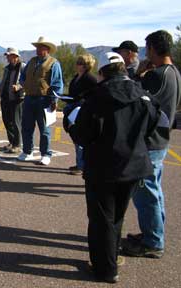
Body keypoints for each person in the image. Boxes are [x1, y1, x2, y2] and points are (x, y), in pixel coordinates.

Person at [69, 52, 159, 283]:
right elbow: (155, 124)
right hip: (134, 166)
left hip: (103, 167)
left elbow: (83, 134)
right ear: (122, 69)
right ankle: (112, 257)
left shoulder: (96, 98)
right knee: (117, 215)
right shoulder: (142, 95)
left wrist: (71, 125)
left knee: (101, 219)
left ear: (102, 73)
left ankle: (105, 268)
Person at [122, 30, 181, 258]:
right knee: (154, 190)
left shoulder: (156, 75)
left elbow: (133, 98)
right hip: (161, 138)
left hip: (149, 141)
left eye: (147, 47)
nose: (146, 52)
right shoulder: (174, 72)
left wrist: (138, 74)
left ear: (154, 49)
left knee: (145, 192)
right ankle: (154, 233)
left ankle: (153, 241)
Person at [18, 37, 63, 165]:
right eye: (37, 47)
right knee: (26, 127)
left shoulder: (54, 63)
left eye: (40, 47)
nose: (37, 50)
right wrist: (23, 83)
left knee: (44, 129)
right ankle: (28, 151)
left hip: (44, 99)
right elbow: (23, 75)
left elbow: (57, 84)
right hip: (29, 98)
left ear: (47, 49)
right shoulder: (32, 61)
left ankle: (46, 154)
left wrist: (54, 100)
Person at [63, 54, 97, 175]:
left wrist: (80, 101)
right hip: (73, 110)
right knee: (76, 138)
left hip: (82, 112)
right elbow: (73, 94)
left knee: (81, 139)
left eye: (80, 63)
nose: (77, 65)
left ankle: (82, 166)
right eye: (77, 62)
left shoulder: (90, 79)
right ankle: (79, 164)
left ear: (86, 65)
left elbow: (93, 96)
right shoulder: (77, 77)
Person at [0, 48, 25, 153]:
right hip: (6, 98)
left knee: (16, 122)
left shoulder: (23, 67)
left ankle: (17, 144)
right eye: (7, 56)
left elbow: (27, 80)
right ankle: (11, 142)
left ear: (15, 56)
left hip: (17, 98)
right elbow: (4, 81)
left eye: (9, 56)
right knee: (7, 121)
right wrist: (0, 90)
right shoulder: (7, 68)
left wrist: (19, 86)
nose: (7, 58)